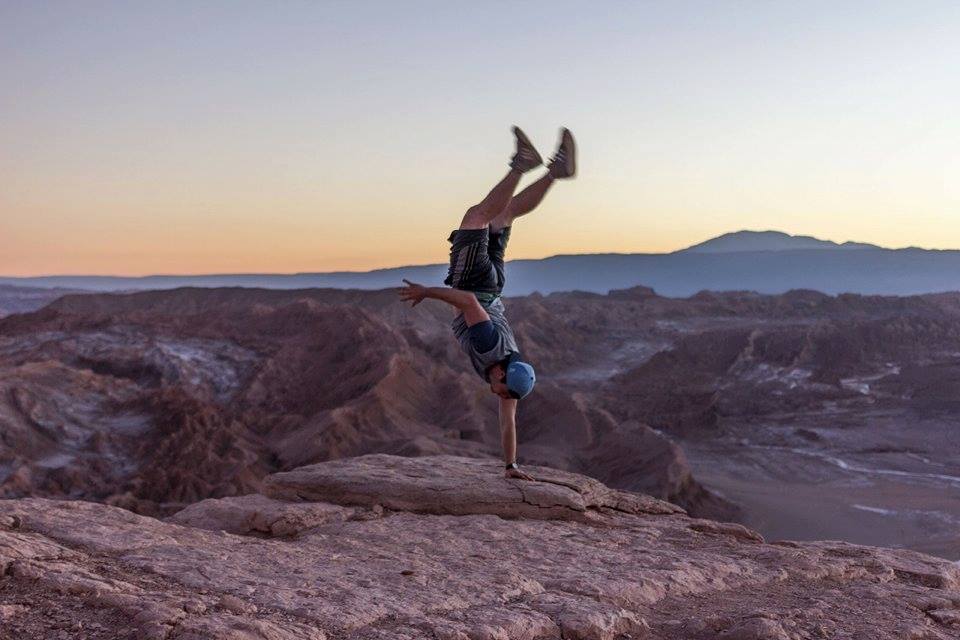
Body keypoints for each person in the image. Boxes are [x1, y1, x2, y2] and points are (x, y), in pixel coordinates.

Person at [399, 126, 577, 479]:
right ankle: (522, 165)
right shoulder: (489, 347)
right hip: (476, 284)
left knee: (504, 214)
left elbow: (508, 424)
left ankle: (555, 172)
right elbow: (467, 302)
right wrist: (426, 292)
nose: (498, 394)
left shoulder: (510, 372)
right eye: (501, 389)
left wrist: (511, 466)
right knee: (477, 217)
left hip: (495, 287)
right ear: (501, 374)